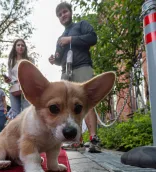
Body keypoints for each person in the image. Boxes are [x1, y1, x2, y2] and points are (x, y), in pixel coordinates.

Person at [48, 2, 100, 153]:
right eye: (59, 15)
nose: (62, 16)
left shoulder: (81, 25)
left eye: (64, 12)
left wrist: (70, 40)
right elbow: (59, 59)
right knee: (69, 106)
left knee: (87, 103)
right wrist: (54, 60)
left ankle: (94, 139)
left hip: (82, 66)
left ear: (70, 12)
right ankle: (76, 140)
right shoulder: (60, 38)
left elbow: (92, 38)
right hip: (66, 72)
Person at [4, 39, 31, 120]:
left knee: (26, 111)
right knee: (15, 113)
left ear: (25, 48)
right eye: (18, 45)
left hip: (26, 88)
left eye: (22, 45)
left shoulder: (29, 60)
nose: (20, 47)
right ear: (15, 47)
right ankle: (16, 131)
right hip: (14, 89)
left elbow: (32, 75)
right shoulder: (11, 61)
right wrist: (7, 80)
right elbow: (10, 77)